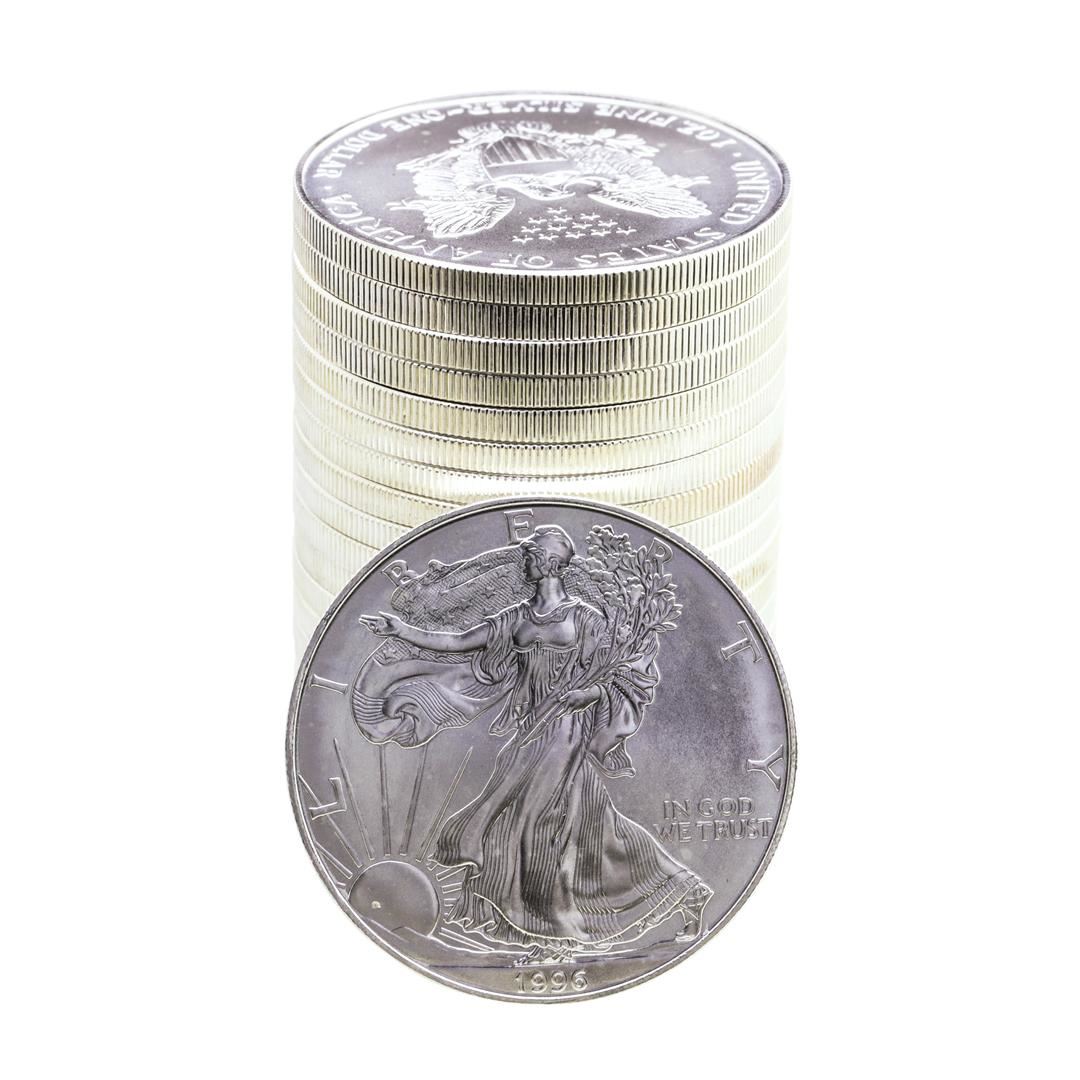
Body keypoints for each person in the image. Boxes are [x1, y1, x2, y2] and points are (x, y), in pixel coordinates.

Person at [358, 525, 710, 961]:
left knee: (538, 822)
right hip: (531, 730)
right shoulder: (517, 617)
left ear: (550, 563)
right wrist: (401, 630)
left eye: (530, 556)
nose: (524, 561)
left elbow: (621, 675)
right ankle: (682, 890)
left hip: (567, 729)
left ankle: (558, 933)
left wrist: (587, 694)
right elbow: (459, 643)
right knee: (588, 824)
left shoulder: (585, 619)